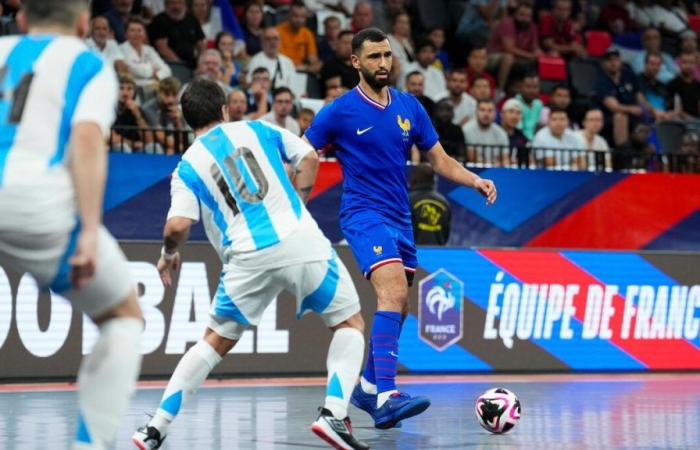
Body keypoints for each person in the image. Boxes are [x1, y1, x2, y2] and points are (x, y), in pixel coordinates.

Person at [131, 78, 369, 450]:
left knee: (212, 344)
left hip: (248, 258)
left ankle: (155, 428)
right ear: (225, 109)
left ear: (187, 120)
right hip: (300, 239)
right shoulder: (258, 128)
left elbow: (177, 225)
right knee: (349, 324)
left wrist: (168, 254)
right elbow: (308, 156)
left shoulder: (187, 166)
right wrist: (298, 202)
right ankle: (333, 415)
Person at [303, 28, 497, 429]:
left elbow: (440, 160)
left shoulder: (410, 106)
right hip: (362, 215)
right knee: (391, 292)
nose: (383, 63)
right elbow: (304, 152)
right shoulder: (339, 110)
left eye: (387, 55)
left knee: (402, 305)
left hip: (400, 218)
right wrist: (292, 200)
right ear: (356, 62)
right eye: (373, 57)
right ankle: (388, 394)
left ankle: (368, 387)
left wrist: (474, 179)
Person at [0, 2, 143, 449]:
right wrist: (87, 232)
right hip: (36, 205)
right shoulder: (90, 66)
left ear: (21, 19)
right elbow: (85, 140)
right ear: (83, 24)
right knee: (123, 318)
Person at [487, 1, 542, 92]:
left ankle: (532, 91)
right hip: (495, 55)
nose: (524, 18)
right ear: (515, 14)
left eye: (527, 16)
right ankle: (500, 90)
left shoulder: (532, 26)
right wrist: (531, 55)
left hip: (519, 56)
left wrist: (538, 52)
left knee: (538, 60)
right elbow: (509, 48)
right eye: (521, 14)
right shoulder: (507, 23)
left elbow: (535, 47)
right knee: (508, 58)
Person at [595, 49, 643, 147]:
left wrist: (653, 111)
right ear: (604, 63)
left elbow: (639, 96)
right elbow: (614, 107)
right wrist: (631, 109)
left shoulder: (628, 75)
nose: (613, 63)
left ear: (620, 61)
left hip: (633, 116)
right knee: (620, 116)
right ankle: (623, 154)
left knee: (648, 124)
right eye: (610, 60)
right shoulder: (602, 81)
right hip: (608, 118)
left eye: (616, 59)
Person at [148, 0, 206, 69]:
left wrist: (201, 60)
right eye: (172, 3)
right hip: (168, 64)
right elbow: (162, 48)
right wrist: (180, 64)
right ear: (166, 5)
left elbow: (201, 44)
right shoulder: (159, 20)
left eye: (179, 3)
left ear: (185, 5)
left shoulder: (192, 20)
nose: (176, 6)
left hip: (191, 63)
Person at [120, 17, 172, 87]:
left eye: (140, 30)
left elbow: (167, 70)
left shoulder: (149, 50)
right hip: (133, 87)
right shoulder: (121, 49)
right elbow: (133, 69)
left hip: (153, 86)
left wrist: (157, 75)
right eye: (132, 30)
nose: (137, 34)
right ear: (126, 34)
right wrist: (152, 71)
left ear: (144, 34)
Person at [409, 164, 451, 245]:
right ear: (434, 180)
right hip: (437, 252)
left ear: (414, 178)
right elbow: (446, 233)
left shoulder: (408, 200)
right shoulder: (444, 202)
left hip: (413, 252)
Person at [142, 77, 187, 154]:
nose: (170, 99)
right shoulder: (149, 108)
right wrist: (182, 147)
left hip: (173, 145)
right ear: (159, 92)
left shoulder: (179, 109)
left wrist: (178, 121)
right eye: (167, 94)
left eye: (174, 95)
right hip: (153, 145)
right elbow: (161, 137)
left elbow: (183, 138)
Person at [112, 73, 154, 152]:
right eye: (121, 88)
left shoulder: (139, 110)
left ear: (134, 92)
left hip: (136, 149)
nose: (125, 93)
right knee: (122, 147)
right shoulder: (109, 110)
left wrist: (137, 115)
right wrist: (134, 144)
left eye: (129, 89)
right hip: (113, 149)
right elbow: (112, 138)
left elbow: (149, 140)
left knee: (153, 147)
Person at [276, 2, 321, 73]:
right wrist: (305, 68)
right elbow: (279, 60)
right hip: (282, 70)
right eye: (296, 16)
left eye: (302, 17)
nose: (299, 20)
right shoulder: (278, 32)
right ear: (289, 16)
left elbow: (313, 59)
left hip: (302, 71)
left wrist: (316, 65)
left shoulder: (307, 34)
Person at [462, 99, 510, 164]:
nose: (486, 114)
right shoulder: (467, 129)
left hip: (496, 170)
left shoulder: (501, 133)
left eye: (490, 111)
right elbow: (472, 158)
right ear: (476, 112)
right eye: (482, 110)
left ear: (495, 113)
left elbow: (505, 159)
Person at [669, 52, 700, 120]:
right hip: (680, 121)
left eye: (691, 63)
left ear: (695, 65)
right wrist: (693, 120)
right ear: (679, 64)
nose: (688, 66)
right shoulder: (672, 84)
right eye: (685, 62)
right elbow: (677, 110)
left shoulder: (698, 85)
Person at [514, 72, 545, 139]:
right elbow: (518, 130)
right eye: (528, 87)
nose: (532, 90)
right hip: (519, 142)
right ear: (520, 87)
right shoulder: (515, 103)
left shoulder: (538, 104)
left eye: (535, 87)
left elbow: (539, 126)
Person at [500, 98, 529, 167]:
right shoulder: (495, 132)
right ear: (502, 114)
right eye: (511, 112)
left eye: (518, 113)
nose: (514, 116)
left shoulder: (522, 137)